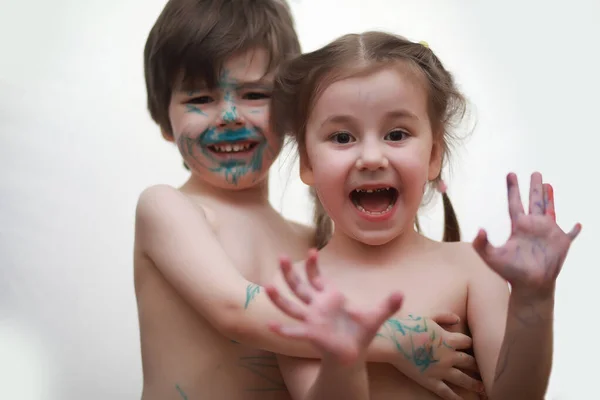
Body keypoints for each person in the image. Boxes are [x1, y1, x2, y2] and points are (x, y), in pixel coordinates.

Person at [264, 30, 582, 400]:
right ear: (307, 162)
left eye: (397, 134)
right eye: (342, 137)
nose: (370, 158)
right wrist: (343, 359)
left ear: (433, 156)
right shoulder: (300, 290)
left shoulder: (471, 269)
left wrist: (533, 298)